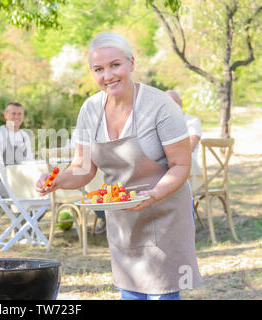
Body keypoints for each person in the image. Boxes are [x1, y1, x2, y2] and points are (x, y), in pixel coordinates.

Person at [37, 32, 203, 300]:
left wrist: (154, 194)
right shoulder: (90, 110)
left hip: (165, 212)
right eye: (98, 69)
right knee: (131, 292)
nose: (108, 75)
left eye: (115, 65)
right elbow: (82, 167)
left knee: (162, 293)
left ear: (131, 63)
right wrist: (57, 180)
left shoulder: (160, 105)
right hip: (123, 217)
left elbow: (181, 165)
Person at [0, 102, 34, 197]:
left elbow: (29, 161)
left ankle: (33, 211)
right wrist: (13, 179)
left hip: (20, 178)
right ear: (5, 115)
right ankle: (20, 211)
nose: (17, 117)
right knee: (22, 195)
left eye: (19, 114)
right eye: (13, 114)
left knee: (42, 191)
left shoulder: (24, 136)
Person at [166, 90, 203, 193]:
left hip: (189, 171)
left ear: (180, 102)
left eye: (174, 101)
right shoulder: (162, 124)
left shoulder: (192, 121)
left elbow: (190, 147)